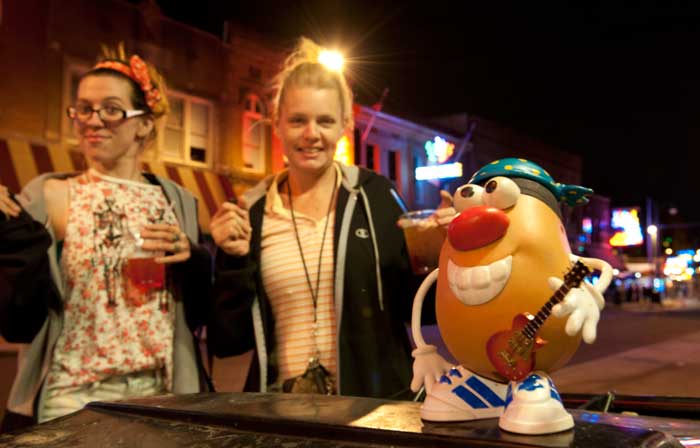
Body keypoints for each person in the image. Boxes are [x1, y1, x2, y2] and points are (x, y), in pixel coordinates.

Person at [208, 37, 450, 399]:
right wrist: (232, 261)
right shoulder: (252, 211)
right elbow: (229, 341)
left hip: (372, 412)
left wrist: (443, 255)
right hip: (283, 417)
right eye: (297, 120)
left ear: (344, 125)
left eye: (325, 120)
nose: (311, 134)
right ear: (276, 124)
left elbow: (422, 312)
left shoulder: (376, 196)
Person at [0, 45, 212, 431]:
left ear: (144, 123)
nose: (93, 121)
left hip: (161, 391)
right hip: (72, 394)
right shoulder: (51, 195)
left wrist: (193, 257)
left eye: (111, 110)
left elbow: (198, 311)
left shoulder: (176, 199)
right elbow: (18, 313)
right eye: (84, 109)